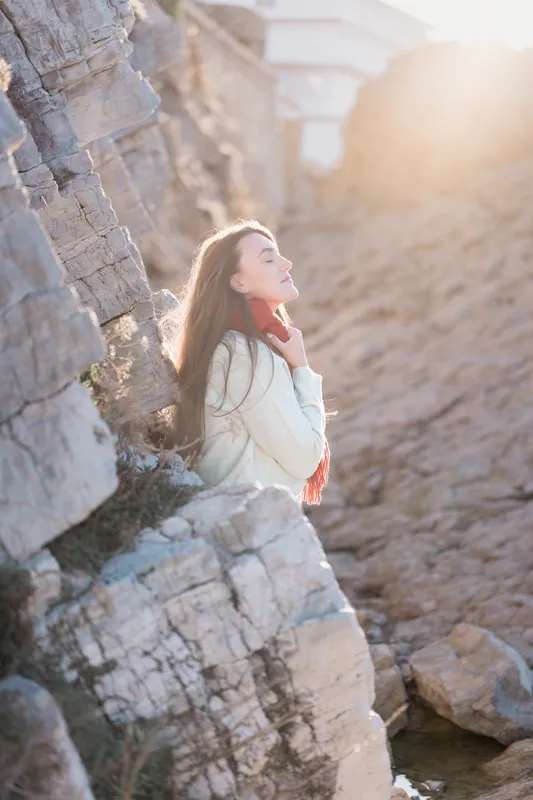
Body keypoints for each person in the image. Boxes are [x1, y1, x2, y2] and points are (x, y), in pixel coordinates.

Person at [169, 220, 329, 504]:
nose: (286, 263)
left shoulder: (230, 346)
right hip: (240, 519)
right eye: (269, 258)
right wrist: (302, 370)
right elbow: (305, 458)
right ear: (237, 282)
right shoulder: (243, 356)